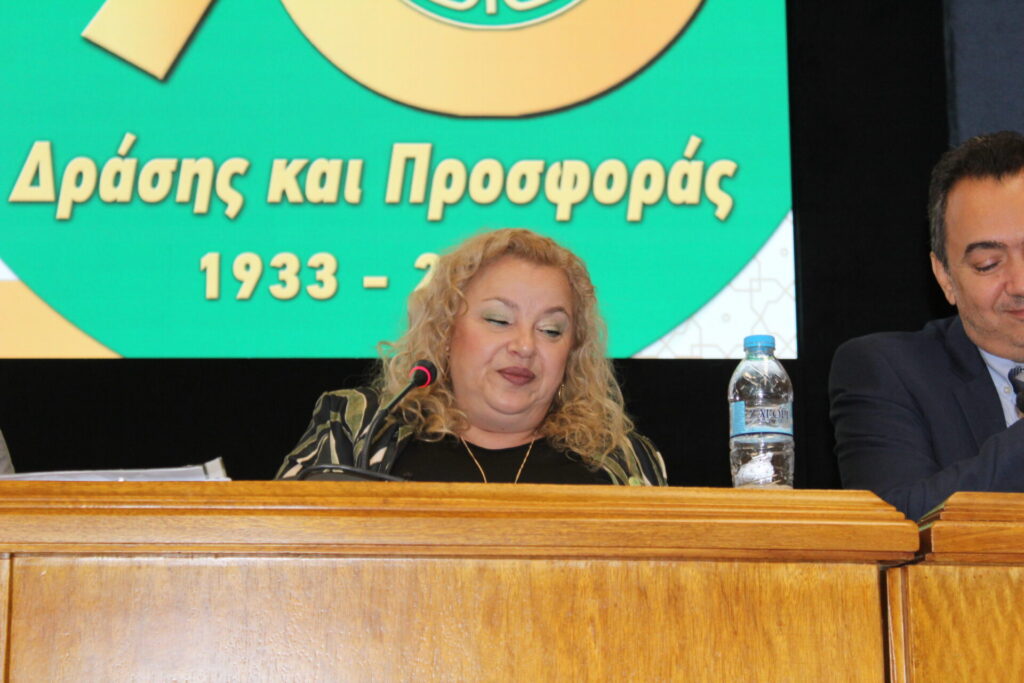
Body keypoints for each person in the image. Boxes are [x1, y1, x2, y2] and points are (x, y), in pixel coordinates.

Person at [276, 228, 667, 485]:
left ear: (572, 352)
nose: (525, 346)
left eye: (551, 330)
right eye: (498, 320)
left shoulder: (620, 459)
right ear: (446, 332)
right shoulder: (360, 430)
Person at [830, 130, 1024, 520]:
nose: (1019, 284)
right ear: (945, 277)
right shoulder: (887, 370)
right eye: (988, 264)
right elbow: (896, 519)